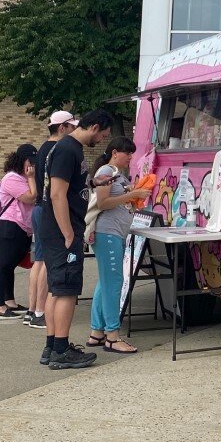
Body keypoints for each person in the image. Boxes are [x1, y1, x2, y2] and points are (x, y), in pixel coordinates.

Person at [39, 108, 113, 370]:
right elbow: (57, 194)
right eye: (103, 134)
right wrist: (68, 232)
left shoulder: (69, 150)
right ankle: (61, 349)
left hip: (59, 229)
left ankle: (52, 346)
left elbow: (69, 187)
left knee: (57, 289)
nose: (102, 140)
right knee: (67, 291)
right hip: (63, 230)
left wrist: (93, 182)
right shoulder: (67, 149)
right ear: (94, 127)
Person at [86, 137, 143, 354]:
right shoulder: (106, 172)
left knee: (106, 282)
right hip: (107, 233)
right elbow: (103, 203)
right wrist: (131, 195)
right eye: (128, 153)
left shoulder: (118, 175)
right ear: (115, 153)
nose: (130, 157)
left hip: (114, 233)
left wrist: (132, 197)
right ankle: (112, 335)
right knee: (114, 283)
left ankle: (97, 332)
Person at [25, 111, 78, 329]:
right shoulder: (58, 149)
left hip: (39, 208)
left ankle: (33, 310)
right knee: (49, 262)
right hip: (48, 211)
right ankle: (39, 311)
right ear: (62, 127)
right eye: (71, 126)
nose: (74, 130)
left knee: (39, 260)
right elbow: (56, 193)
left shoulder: (42, 149)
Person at [0, 144, 38, 319]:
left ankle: (9, 301)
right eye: (30, 161)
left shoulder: (24, 178)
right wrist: (32, 177)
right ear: (21, 160)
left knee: (9, 267)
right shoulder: (12, 178)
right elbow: (31, 197)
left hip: (22, 228)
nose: (32, 165)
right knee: (2, 266)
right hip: (10, 227)